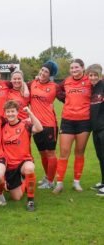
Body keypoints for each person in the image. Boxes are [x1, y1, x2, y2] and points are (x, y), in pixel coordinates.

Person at [53, 59, 92, 194]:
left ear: (83, 67)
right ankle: (59, 183)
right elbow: (57, 89)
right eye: (72, 68)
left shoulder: (89, 80)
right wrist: (65, 99)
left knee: (79, 152)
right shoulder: (67, 81)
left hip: (84, 121)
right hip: (68, 120)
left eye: (76, 67)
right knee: (64, 152)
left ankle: (76, 182)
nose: (74, 70)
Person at [2, 100, 43, 211]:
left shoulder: (25, 124)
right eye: (8, 112)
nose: (10, 114)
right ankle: (25, 181)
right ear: (5, 113)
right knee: (16, 197)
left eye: (13, 111)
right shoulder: (2, 128)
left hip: (24, 161)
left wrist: (30, 113)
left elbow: (39, 128)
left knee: (29, 169)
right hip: (10, 166)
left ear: (17, 112)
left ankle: (30, 200)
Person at [28, 61, 62, 189]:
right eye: (42, 70)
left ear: (50, 75)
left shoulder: (54, 87)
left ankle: (50, 181)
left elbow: (66, 98)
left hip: (49, 125)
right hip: (36, 126)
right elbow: (18, 86)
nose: (42, 73)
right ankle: (48, 176)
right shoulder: (33, 83)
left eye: (46, 72)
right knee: (42, 153)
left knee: (50, 153)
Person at [85, 64, 104, 196]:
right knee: (100, 156)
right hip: (95, 128)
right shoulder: (91, 89)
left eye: (95, 75)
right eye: (90, 75)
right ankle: (103, 182)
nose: (92, 77)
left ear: (100, 75)